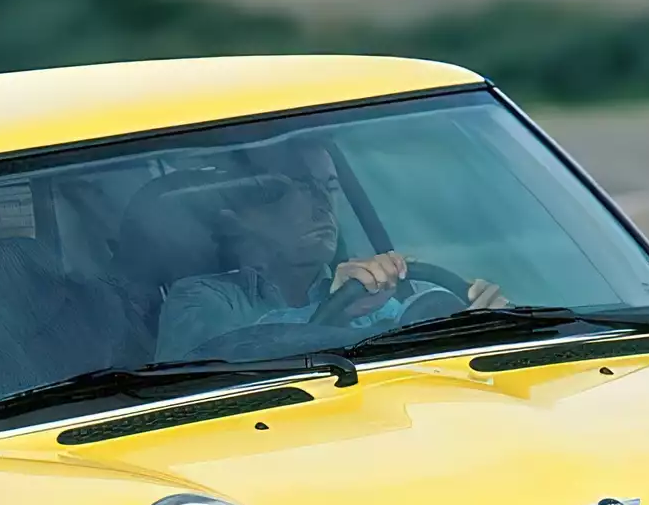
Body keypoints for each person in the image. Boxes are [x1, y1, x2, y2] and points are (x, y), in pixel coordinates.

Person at [154, 140, 507, 361]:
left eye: (330, 187)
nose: (323, 203)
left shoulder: (372, 293)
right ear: (244, 214)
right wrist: (334, 315)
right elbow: (210, 370)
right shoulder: (200, 298)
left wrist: (481, 320)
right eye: (301, 188)